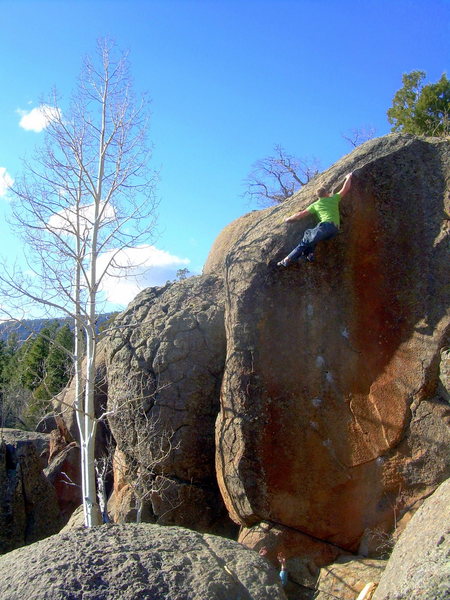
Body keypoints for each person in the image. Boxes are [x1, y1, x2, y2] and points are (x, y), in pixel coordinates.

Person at [277, 172, 353, 267]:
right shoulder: (333, 199)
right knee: (310, 234)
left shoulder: (315, 205)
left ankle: (287, 259)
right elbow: (345, 189)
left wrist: (288, 219)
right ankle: (310, 254)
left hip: (326, 226)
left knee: (305, 242)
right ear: (326, 194)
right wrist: (348, 177)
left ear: (319, 196)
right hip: (334, 230)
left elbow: (301, 214)